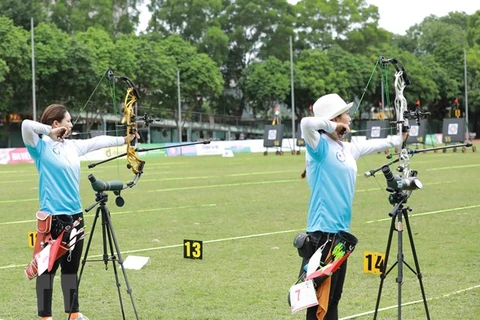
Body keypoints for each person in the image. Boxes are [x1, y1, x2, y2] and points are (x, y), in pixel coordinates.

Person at [298, 93, 407, 320]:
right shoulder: (318, 147)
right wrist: (334, 125)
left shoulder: (347, 149)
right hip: (322, 235)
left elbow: (378, 144)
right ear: (335, 118)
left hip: (341, 236)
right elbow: (306, 123)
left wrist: (400, 138)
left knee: (334, 296)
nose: (349, 118)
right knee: (319, 299)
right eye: (345, 114)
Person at [22, 104, 136, 320]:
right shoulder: (40, 146)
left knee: (71, 268)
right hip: (53, 218)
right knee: (47, 270)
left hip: (75, 216)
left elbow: (97, 142)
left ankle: (73, 314)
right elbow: (26, 125)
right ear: (56, 124)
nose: (72, 124)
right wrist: (49, 132)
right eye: (68, 121)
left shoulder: (72, 146)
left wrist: (125, 139)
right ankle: (46, 317)